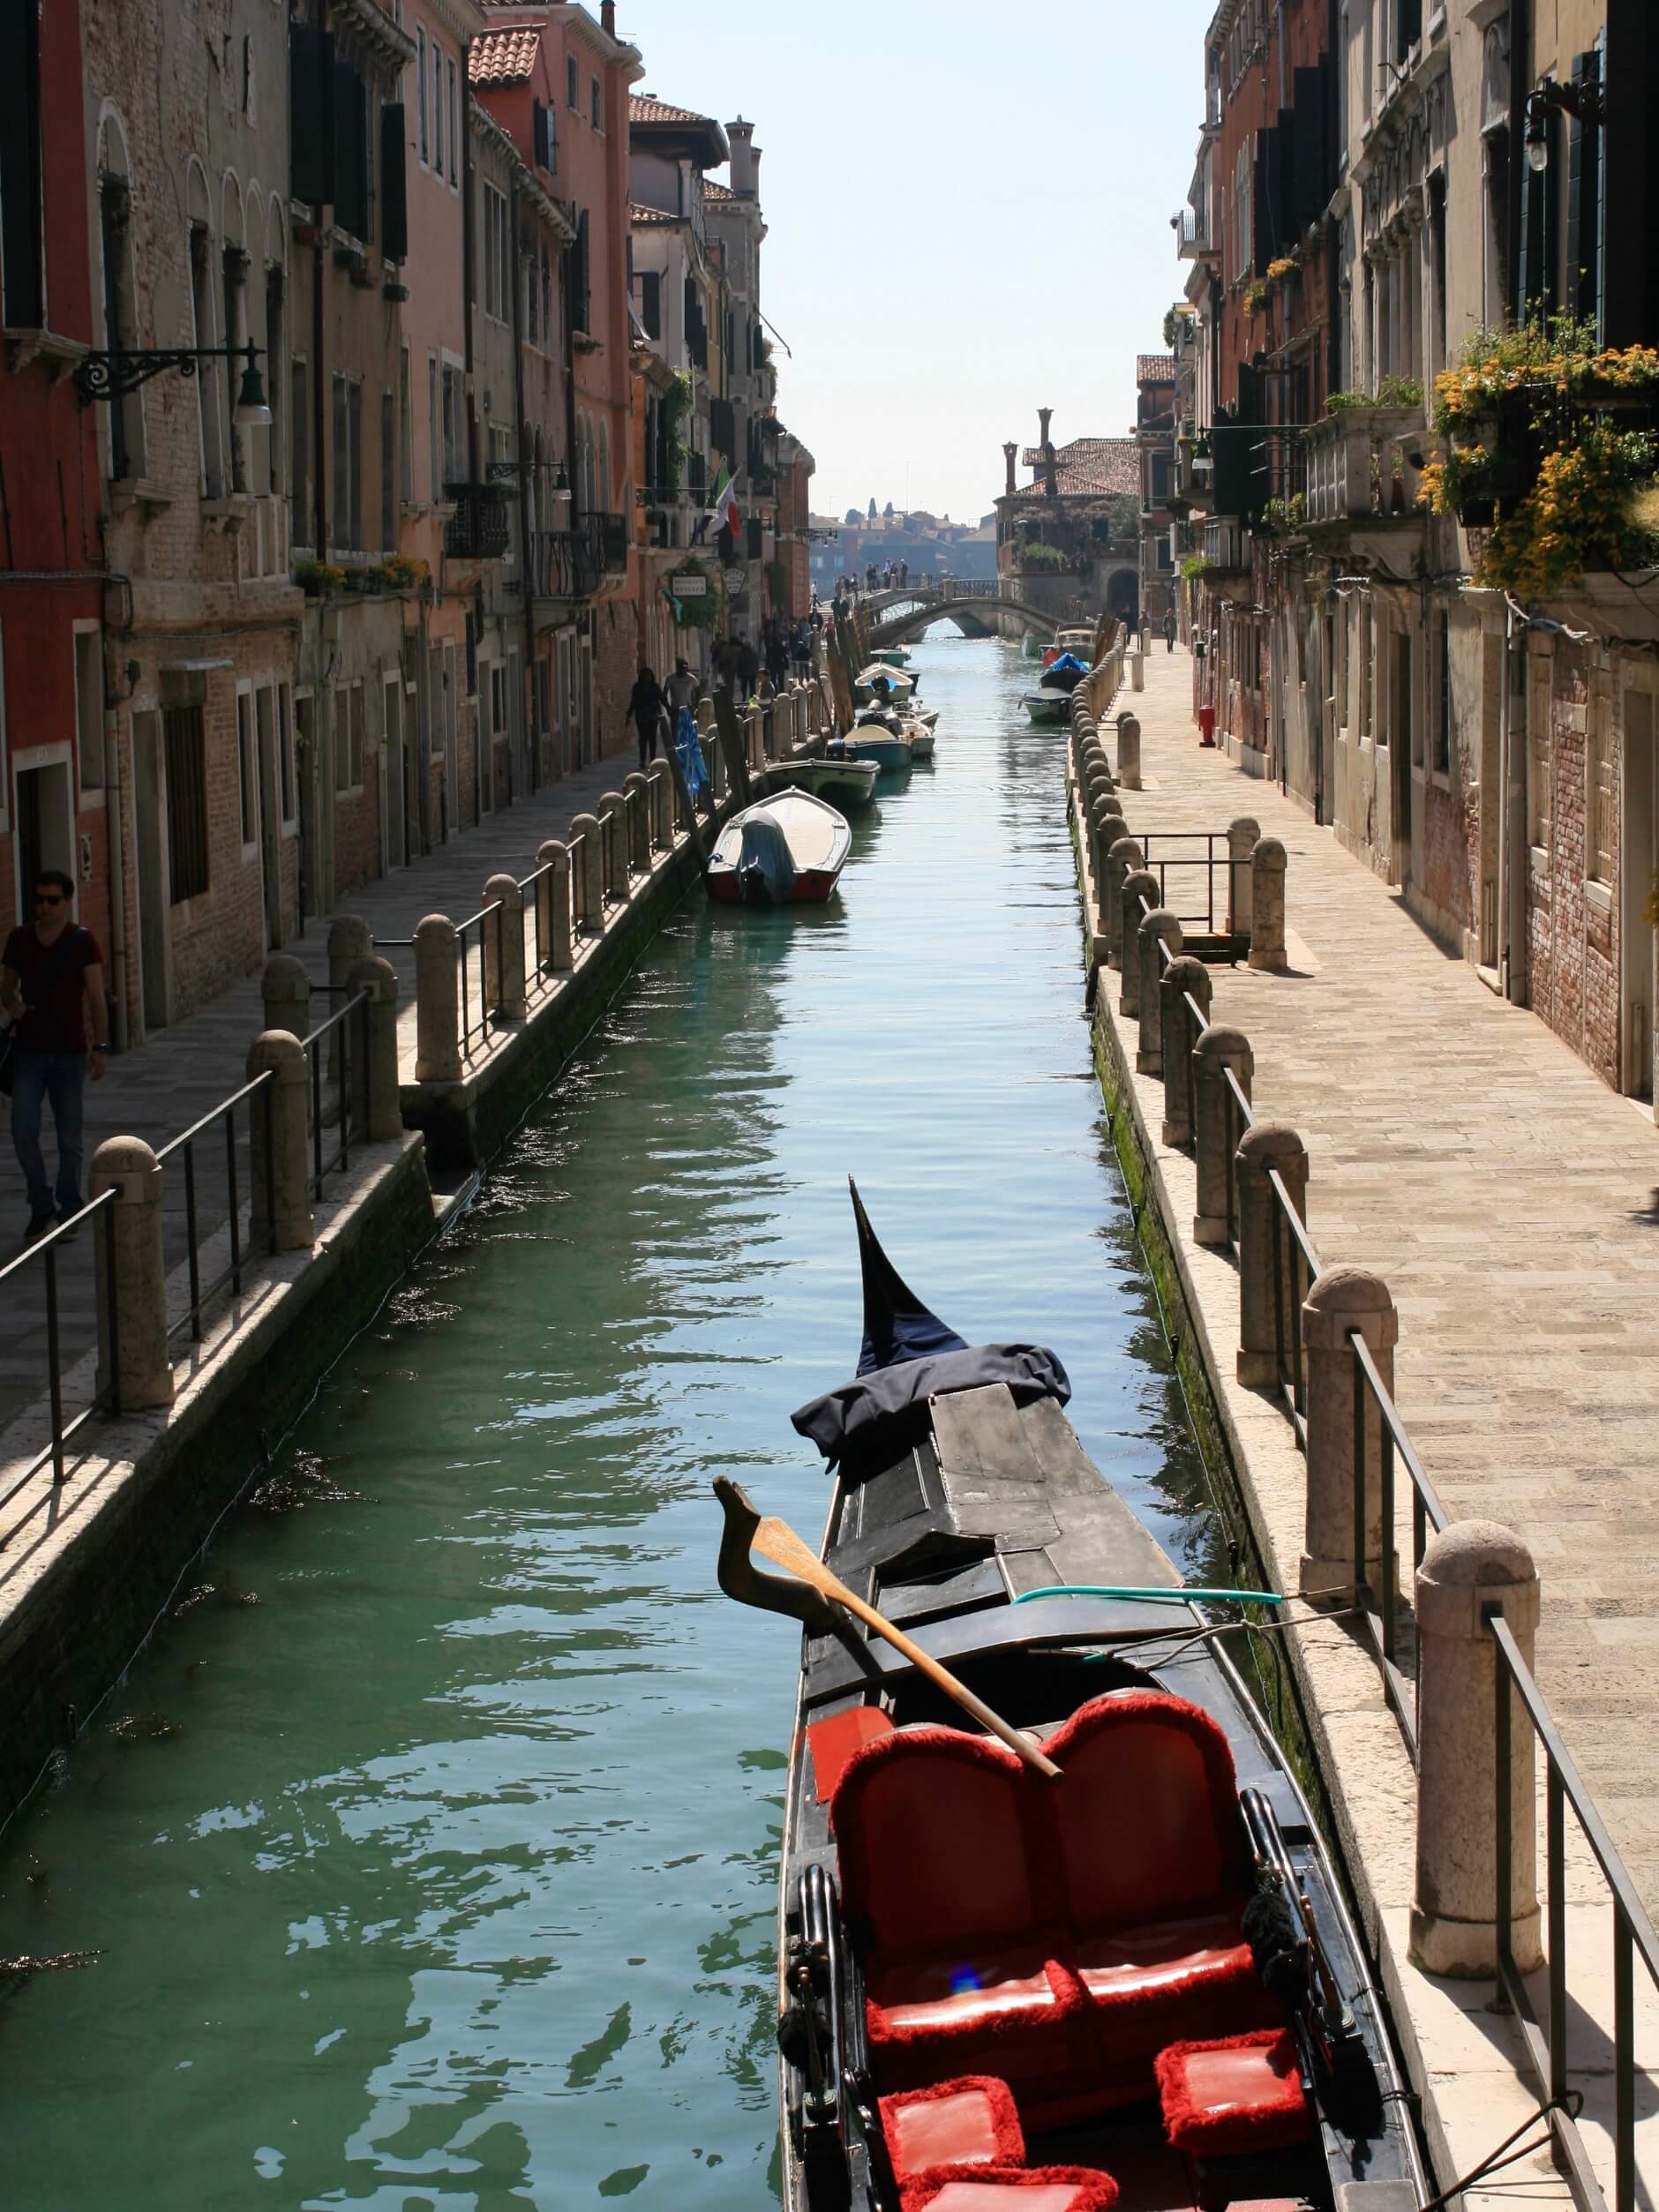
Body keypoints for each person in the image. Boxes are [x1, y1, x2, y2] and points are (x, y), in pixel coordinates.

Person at [3, 870, 108, 1243]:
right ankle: (40, 1202)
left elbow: (95, 997)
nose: (44, 907)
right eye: (39, 900)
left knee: (69, 1138)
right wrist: (12, 1005)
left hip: (69, 1054)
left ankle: (69, 1208)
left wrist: (100, 1049)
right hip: (28, 1053)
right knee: (22, 1130)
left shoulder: (82, 942)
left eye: (52, 900)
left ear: (67, 902)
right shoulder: (19, 939)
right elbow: (6, 986)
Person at [627, 663, 665, 769]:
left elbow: (661, 698)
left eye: (648, 675)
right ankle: (642, 760)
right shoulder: (637, 687)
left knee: (652, 738)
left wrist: (668, 708)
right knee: (643, 738)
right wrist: (629, 714)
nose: (647, 677)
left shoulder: (655, 687)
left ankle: (653, 760)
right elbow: (633, 701)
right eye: (645, 675)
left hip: (653, 716)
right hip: (641, 716)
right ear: (642, 676)